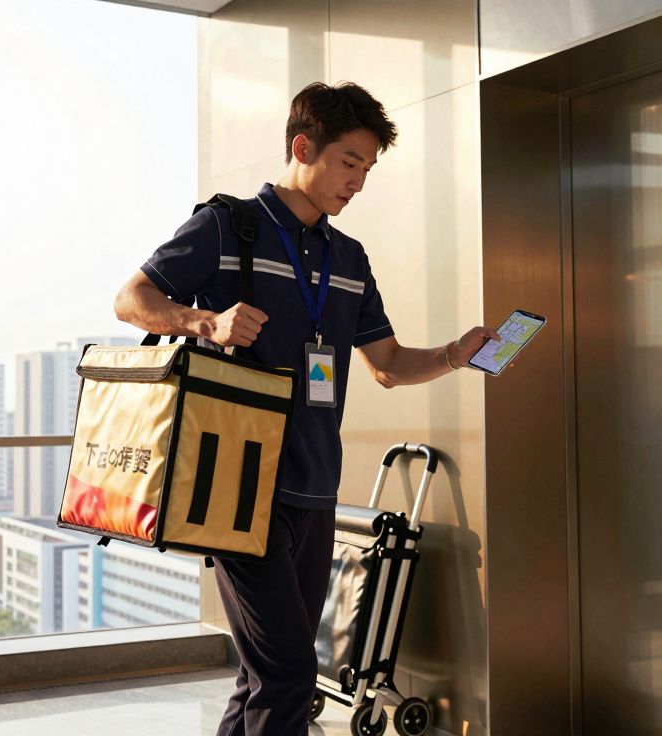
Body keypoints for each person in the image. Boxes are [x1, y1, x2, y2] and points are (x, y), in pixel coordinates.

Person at [113, 81, 499, 735]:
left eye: (368, 169)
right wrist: (203, 322)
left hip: (315, 488)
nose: (359, 182)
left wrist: (456, 354)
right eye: (350, 162)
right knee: (289, 673)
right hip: (235, 486)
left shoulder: (349, 259)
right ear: (303, 147)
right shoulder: (228, 225)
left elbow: (388, 365)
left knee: (264, 676)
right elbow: (131, 298)